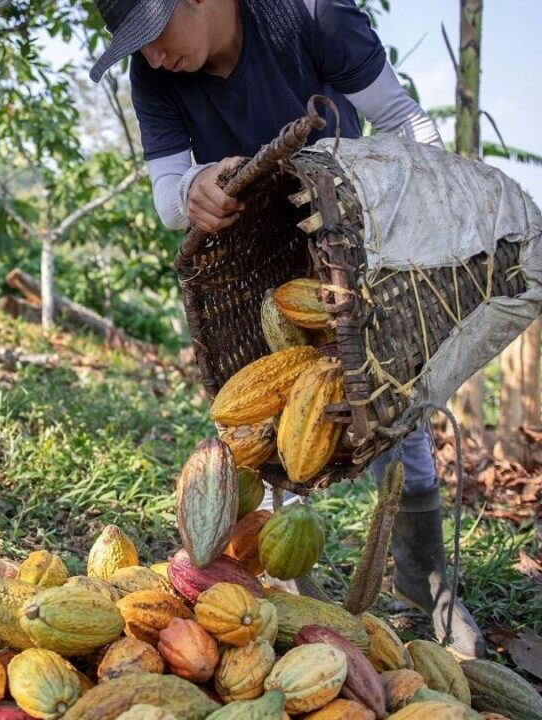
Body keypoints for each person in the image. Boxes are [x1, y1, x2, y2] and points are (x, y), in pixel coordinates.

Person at [88, 0, 485, 659]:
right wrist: (193, 184)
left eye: (154, 33)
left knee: (397, 413)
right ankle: (285, 580)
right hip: (258, 263)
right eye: (137, 45)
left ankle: (428, 583)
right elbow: (164, 191)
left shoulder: (310, 15)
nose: (152, 55)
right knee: (266, 419)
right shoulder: (153, 71)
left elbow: (404, 121)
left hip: (355, 230)